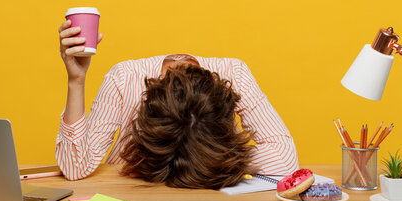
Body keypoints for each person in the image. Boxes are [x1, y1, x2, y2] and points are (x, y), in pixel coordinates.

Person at [55, 19, 299, 189]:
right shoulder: (125, 77)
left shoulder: (234, 74)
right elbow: (76, 168)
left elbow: (286, 158)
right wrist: (76, 81)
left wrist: (214, 159)